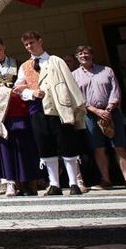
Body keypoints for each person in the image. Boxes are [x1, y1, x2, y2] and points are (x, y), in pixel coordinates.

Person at [15, 32, 86, 196]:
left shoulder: (55, 60)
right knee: (45, 146)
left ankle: (74, 183)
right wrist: (31, 93)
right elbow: (19, 89)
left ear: (40, 41)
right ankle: (54, 184)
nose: (29, 47)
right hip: (37, 110)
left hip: (58, 109)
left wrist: (75, 107)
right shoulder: (25, 66)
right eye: (26, 45)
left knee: (66, 145)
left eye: (32, 42)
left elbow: (70, 83)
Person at [71, 45, 126, 190]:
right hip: (90, 115)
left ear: (92, 55)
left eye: (86, 53)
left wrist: (108, 109)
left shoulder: (107, 71)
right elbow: (77, 97)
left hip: (111, 112)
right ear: (77, 57)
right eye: (80, 54)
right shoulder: (74, 75)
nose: (84, 56)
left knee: (119, 146)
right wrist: (95, 110)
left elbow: (115, 91)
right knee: (98, 147)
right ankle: (106, 179)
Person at [0, 37, 39, 196]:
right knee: (4, 147)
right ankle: (10, 182)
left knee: (22, 146)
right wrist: (2, 92)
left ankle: (26, 180)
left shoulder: (17, 63)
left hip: (17, 110)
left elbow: (24, 82)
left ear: (4, 47)